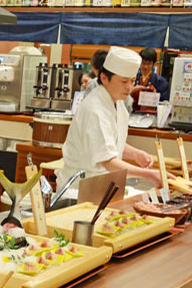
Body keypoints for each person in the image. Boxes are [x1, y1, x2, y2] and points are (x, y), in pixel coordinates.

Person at [58, 46, 167, 192]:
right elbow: (108, 161)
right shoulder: (95, 109)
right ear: (104, 78)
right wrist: (149, 175)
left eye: (132, 81)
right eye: (124, 82)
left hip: (103, 184)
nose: (129, 87)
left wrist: (136, 154)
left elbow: (110, 140)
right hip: (79, 189)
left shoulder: (117, 102)